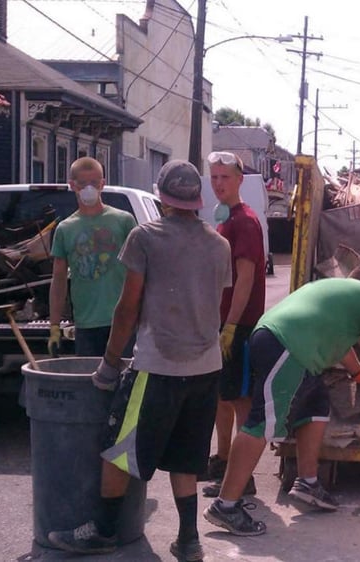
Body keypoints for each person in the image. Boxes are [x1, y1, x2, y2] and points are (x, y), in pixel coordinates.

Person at [47, 160, 232, 561]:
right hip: (205, 368)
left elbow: (127, 308)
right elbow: (212, 302)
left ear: (161, 196)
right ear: (196, 198)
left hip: (158, 366)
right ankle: (188, 540)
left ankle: (104, 530)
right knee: (186, 455)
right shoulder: (219, 244)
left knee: (117, 448)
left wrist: (110, 364)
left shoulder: (145, 237)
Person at [203, 264, 360, 536]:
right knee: (262, 423)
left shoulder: (336, 292)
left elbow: (341, 346)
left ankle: (308, 483)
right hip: (285, 346)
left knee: (316, 405)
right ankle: (225, 506)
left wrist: (359, 375)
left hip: (277, 341)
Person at [200, 151, 266, 498]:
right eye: (213, 177)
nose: (218, 183)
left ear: (240, 179)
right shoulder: (224, 219)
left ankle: (242, 480)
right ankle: (223, 461)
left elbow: (245, 279)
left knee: (240, 399)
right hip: (223, 322)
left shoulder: (245, 221)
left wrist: (231, 326)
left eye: (225, 177)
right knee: (223, 397)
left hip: (238, 326)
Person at [48, 156, 137, 359]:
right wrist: (54, 326)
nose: (89, 188)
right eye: (83, 183)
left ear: (102, 184)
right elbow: (59, 280)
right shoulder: (65, 229)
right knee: (90, 384)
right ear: (72, 185)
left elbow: (140, 271)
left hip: (123, 322)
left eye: (94, 183)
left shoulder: (123, 221)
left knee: (125, 384)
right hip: (86, 325)